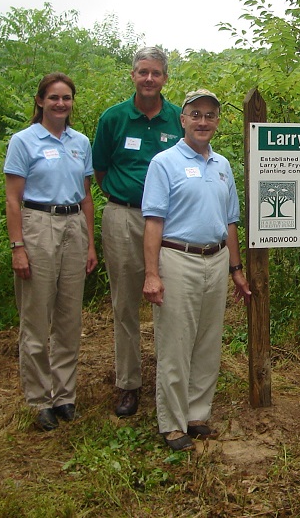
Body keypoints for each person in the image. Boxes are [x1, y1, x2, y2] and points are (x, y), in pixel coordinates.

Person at [142, 88, 252, 451]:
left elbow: (231, 221)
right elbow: (153, 222)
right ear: (183, 119)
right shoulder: (164, 163)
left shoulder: (221, 165)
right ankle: (172, 425)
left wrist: (236, 268)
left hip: (217, 259)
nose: (203, 121)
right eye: (196, 114)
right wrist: (152, 273)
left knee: (207, 342)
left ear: (218, 121)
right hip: (177, 259)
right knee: (176, 343)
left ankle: (196, 414)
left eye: (210, 115)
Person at [4, 72, 98, 431]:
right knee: (36, 316)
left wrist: (90, 242)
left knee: (69, 316)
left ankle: (65, 395)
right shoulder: (23, 141)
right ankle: (40, 398)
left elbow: (87, 195)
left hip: (74, 225)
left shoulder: (80, 142)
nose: (61, 103)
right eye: (54, 97)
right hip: (37, 225)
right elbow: (13, 199)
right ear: (41, 101)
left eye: (67, 98)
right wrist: (18, 247)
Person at [92, 47, 182, 417]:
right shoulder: (114, 118)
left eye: (156, 73)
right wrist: (125, 194)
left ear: (165, 78)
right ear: (132, 75)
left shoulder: (179, 118)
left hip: (173, 221)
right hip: (124, 216)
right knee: (125, 303)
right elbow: (99, 170)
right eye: (143, 72)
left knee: (172, 302)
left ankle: (171, 380)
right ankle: (128, 383)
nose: (149, 79)